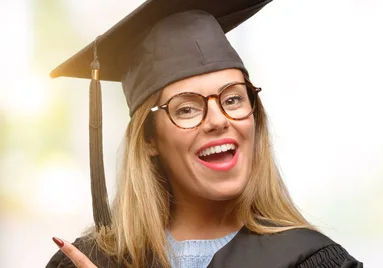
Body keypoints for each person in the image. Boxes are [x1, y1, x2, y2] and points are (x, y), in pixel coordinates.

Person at [45, 0, 362, 267]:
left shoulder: (314, 262)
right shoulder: (88, 262)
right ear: (148, 140)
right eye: (186, 108)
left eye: (233, 99)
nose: (217, 120)